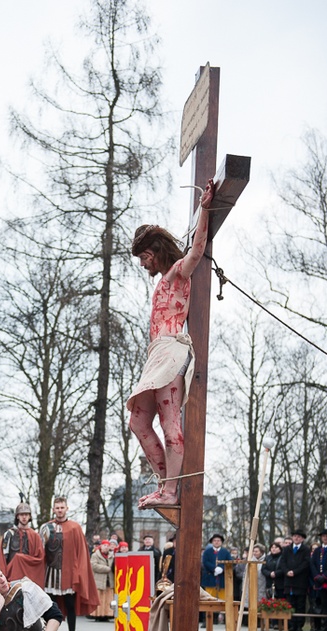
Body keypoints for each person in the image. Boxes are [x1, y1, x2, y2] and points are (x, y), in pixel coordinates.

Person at [127, 179, 215, 508]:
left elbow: (197, 249)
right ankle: (166, 485)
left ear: (157, 251)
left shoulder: (179, 272)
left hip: (172, 350)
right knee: (137, 421)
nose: (142, 263)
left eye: (145, 256)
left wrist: (205, 208)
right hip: (156, 355)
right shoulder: (162, 280)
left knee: (169, 423)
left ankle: (171, 492)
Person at [39, 497, 99, 631]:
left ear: (67, 508)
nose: (59, 510)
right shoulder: (46, 527)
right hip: (50, 576)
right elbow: (40, 552)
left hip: (68, 575)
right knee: (50, 608)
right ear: (53, 509)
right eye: (57, 507)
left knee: (70, 606)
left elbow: (81, 553)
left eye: (62, 507)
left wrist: (78, 573)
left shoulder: (75, 528)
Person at [0, 501, 45, 589]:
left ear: (30, 516)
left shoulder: (35, 536)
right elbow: (3, 559)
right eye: (21, 514)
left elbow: (39, 559)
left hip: (29, 578)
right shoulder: (9, 534)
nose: (24, 517)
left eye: (26, 514)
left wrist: (20, 559)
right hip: (11, 576)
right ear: (17, 516)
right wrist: (3, 577)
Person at [279, 528, 311, 631]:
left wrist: (295, 572)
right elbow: (282, 562)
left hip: (300, 580)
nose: (296, 538)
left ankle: (299, 625)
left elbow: (306, 563)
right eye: (295, 536)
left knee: (300, 603)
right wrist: (287, 571)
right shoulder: (287, 549)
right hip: (288, 580)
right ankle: (291, 624)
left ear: (302, 539)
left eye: (299, 537)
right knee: (290, 603)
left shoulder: (306, 550)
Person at [89, 540, 114, 619]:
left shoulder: (112, 556)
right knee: (100, 599)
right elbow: (94, 566)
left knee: (108, 599)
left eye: (107, 545)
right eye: (104, 545)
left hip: (109, 581)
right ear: (101, 546)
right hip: (99, 580)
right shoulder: (95, 555)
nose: (106, 547)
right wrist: (107, 569)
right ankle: (98, 614)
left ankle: (108, 614)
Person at [201, 533, 230, 599]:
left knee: (223, 599)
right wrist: (214, 568)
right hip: (210, 579)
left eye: (218, 540)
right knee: (209, 598)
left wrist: (222, 568)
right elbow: (205, 562)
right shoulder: (207, 552)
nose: (216, 542)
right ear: (212, 542)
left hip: (222, 580)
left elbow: (230, 562)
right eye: (215, 540)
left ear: (221, 542)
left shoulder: (225, 552)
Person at [310, 529, 327, 631]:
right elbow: (312, 564)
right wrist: (316, 575)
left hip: (325, 580)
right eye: (323, 536)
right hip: (318, 582)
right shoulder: (318, 550)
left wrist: (325, 576)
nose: (325, 538)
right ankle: (321, 626)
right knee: (320, 604)